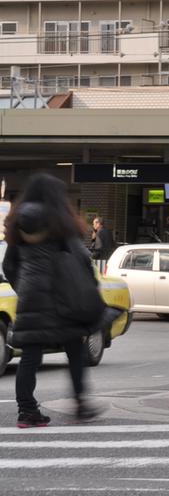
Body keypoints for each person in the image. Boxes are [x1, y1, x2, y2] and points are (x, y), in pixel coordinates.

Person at [3, 173, 103, 427]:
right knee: (75, 351)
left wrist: (25, 288)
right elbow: (81, 261)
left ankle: (27, 411)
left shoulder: (18, 224)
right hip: (63, 298)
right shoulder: (60, 222)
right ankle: (81, 405)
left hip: (31, 298)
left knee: (30, 356)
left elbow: (9, 265)